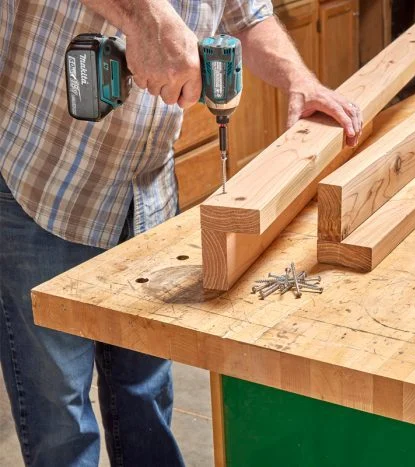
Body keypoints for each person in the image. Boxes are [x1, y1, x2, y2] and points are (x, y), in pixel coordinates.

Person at [0, 1, 362, 465]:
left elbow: (248, 16)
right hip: (44, 183)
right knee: (60, 414)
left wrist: (300, 79)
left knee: (144, 391)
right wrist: (143, 15)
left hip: (144, 193)